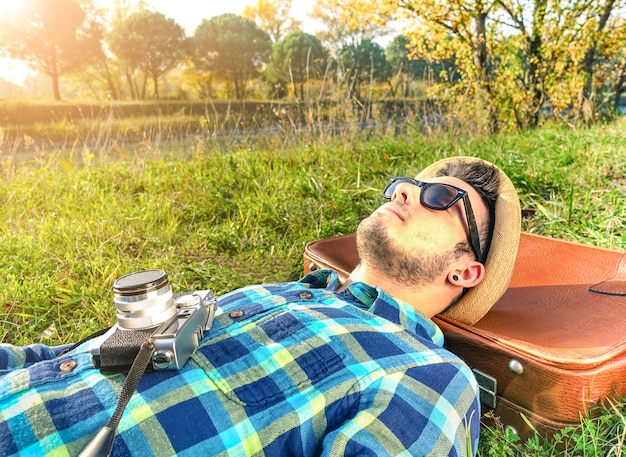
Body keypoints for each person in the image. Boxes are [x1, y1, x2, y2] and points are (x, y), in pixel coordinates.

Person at [0, 156, 521, 456]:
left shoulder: (430, 373)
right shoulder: (269, 292)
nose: (406, 192)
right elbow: (76, 356)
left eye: (438, 199)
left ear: (465, 271)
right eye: (406, 185)